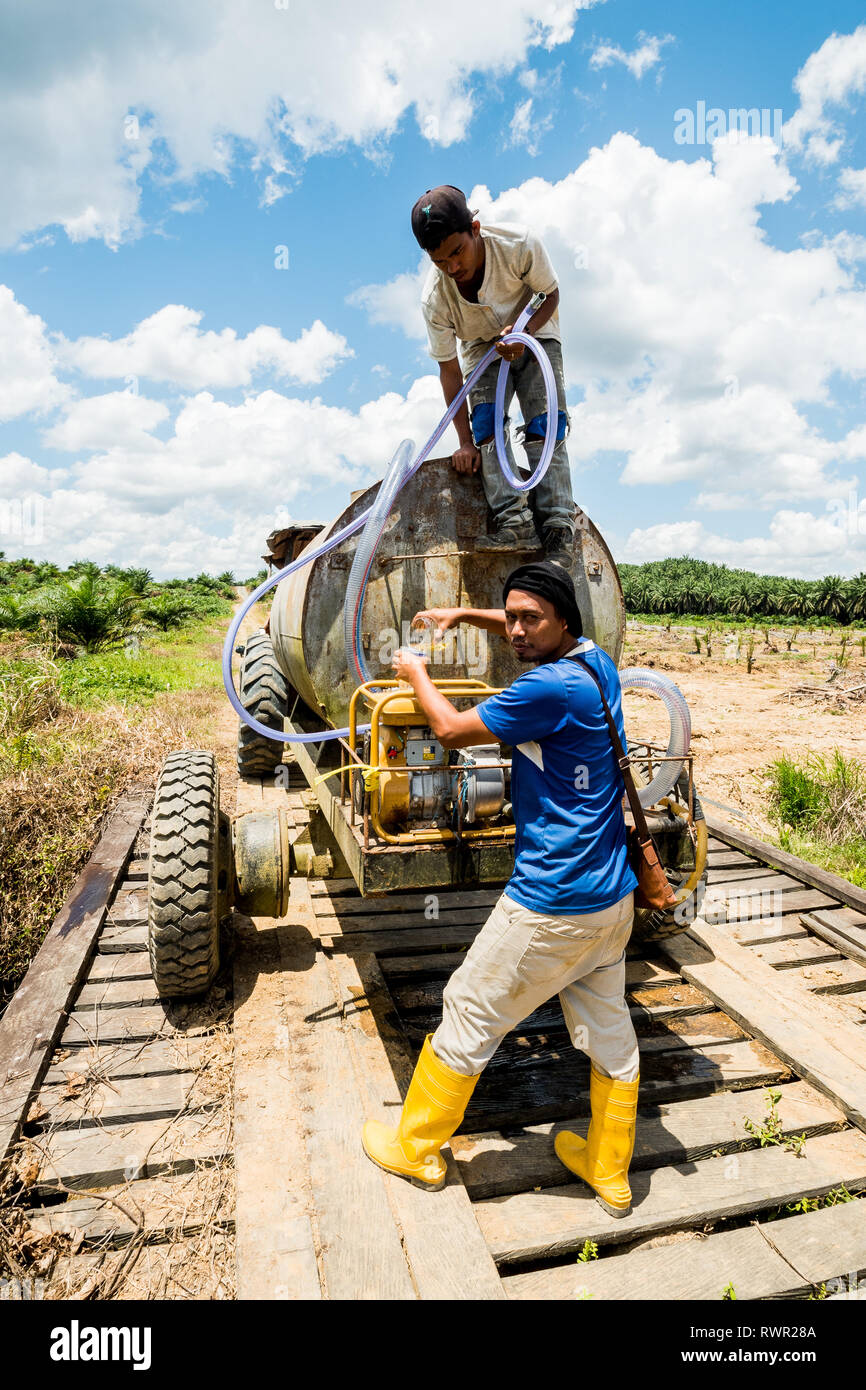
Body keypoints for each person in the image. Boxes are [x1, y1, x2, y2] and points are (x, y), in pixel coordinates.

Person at [361, 562, 641, 1218]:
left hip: (552, 900)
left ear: (563, 620)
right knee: (609, 1029)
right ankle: (609, 1169)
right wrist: (465, 617)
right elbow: (526, 621)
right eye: (508, 616)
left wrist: (416, 675)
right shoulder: (595, 662)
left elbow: (453, 731)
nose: (514, 629)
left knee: (469, 1010)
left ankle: (417, 1146)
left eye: (528, 619)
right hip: (612, 894)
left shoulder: (547, 690)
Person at [410, 185, 576, 568]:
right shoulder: (434, 300)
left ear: (476, 229)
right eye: (440, 261)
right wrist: (464, 441)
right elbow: (450, 372)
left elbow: (549, 294)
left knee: (546, 424)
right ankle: (514, 521)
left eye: (457, 252)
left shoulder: (519, 243)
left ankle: (556, 527)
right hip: (479, 348)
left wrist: (525, 331)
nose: (453, 267)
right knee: (485, 425)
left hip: (534, 328)